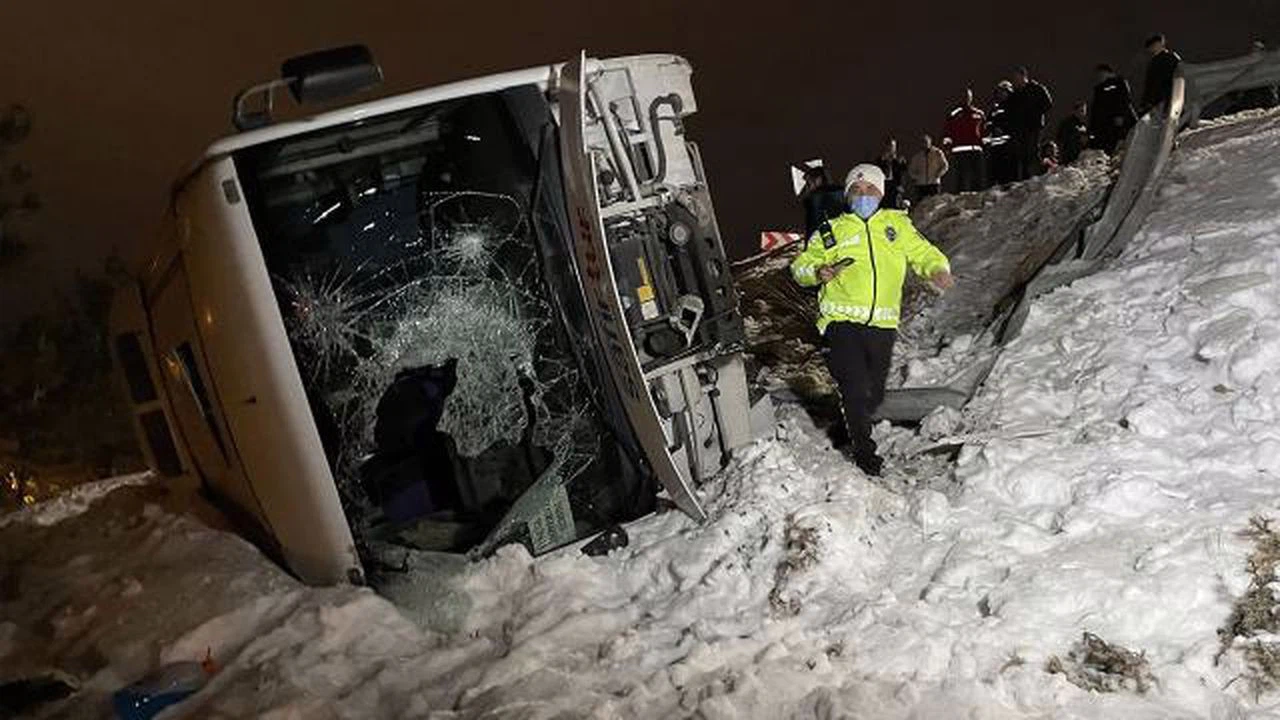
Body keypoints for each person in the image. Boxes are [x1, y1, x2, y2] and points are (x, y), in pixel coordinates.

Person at [789, 164, 953, 476]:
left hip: (882, 323)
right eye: (857, 189)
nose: (863, 195)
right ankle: (865, 454)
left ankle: (853, 418)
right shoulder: (831, 231)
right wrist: (818, 272)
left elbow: (923, 252)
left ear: (880, 193)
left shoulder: (897, 225)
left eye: (870, 189)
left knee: (873, 392)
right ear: (847, 194)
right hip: (841, 320)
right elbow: (801, 267)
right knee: (855, 386)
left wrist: (937, 269)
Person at [1007, 66, 1054, 181]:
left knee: (1032, 152)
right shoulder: (1015, 94)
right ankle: (1025, 179)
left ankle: (1037, 178)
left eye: (1016, 77)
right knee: (1022, 154)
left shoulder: (1037, 89)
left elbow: (1048, 104)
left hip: (1034, 126)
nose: (1015, 81)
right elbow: (1010, 111)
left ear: (1023, 76)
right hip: (1020, 129)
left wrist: (1034, 113)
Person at [943, 88, 987, 192]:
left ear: (971, 98)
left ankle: (977, 197)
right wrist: (947, 147)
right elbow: (947, 132)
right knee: (961, 178)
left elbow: (984, 131)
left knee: (977, 177)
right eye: (964, 96)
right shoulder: (954, 114)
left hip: (976, 150)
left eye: (968, 96)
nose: (966, 98)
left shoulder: (979, 113)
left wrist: (984, 145)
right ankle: (961, 198)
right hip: (960, 150)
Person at [1089, 64, 1138, 155]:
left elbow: (1123, 100)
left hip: (1114, 125)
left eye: (1099, 74)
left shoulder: (1118, 83)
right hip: (1104, 127)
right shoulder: (1099, 89)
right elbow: (1096, 109)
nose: (1098, 77)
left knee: (1117, 146)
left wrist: (1119, 115)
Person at [798, 166, 847, 239]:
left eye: (809, 183)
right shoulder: (844, 193)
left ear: (818, 179)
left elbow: (813, 228)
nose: (808, 187)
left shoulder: (816, 198)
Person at [985, 80, 1018, 186]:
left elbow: (1016, 123)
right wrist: (992, 128)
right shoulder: (994, 108)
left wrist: (1004, 129)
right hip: (995, 147)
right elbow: (988, 123)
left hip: (1009, 146)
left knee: (1008, 176)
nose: (1001, 94)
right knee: (994, 174)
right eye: (999, 92)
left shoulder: (1013, 107)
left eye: (1003, 91)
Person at [1141, 33, 1182, 114]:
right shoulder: (1172, 58)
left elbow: (1152, 84)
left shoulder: (1159, 61)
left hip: (1162, 100)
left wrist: (1146, 102)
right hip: (1166, 98)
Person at [908, 134, 949, 199]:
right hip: (921, 184)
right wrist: (917, 177)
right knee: (922, 202)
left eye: (926, 142)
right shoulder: (917, 156)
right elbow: (911, 170)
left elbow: (945, 165)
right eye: (923, 142)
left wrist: (938, 174)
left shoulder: (937, 153)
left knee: (934, 201)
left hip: (934, 183)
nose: (924, 144)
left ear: (930, 142)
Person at [876, 137, 909, 209]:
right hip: (884, 184)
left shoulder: (899, 159)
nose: (891, 148)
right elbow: (877, 170)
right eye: (889, 146)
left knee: (895, 203)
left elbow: (905, 172)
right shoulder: (880, 159)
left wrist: (902, 185)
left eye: (893, 146)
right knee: (884, 203)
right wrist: (883, 160)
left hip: (895, 184)